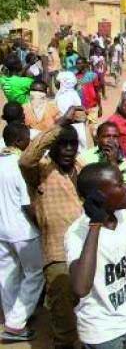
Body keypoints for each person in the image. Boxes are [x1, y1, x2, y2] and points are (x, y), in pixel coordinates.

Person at [66, 163, 126, 348]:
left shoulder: (121, 216)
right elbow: (80, 287)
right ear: (99, 196)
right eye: (119, 184)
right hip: (101, 333)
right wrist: (95, 224)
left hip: (124, 321)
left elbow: (119, 254)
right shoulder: (77, 233)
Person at [19, 106, 85, 348]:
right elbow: (26, 159)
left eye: (72, 144)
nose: (68, 149)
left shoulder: (80, 169)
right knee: (64, 319)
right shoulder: (40, 171)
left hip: (85, 251)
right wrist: (59, 125)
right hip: (58, 256)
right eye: (63, 144)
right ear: (52, 146)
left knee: (86, 311)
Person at [0, 123, 44, 342]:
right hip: (24, 231)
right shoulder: (20, 165)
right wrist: (42, 225)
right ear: (18, 141)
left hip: (2, 231)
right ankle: (16, 323)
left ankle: (12, 317)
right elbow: (28, 205)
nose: (30, 143)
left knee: (7, 274)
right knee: (35, 274)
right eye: (28, 139)